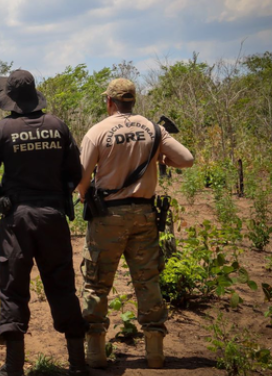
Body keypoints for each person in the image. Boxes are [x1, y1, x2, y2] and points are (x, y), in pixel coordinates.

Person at [0, 69, 88, 376]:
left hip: (18, 219)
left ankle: (13, 368)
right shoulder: (58, 126)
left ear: (10, 98)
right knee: (62, 285)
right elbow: (75, 172)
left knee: (12, 288)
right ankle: (78, 365)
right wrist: (57, 192)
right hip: (53, 217)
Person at [76, 78, 194, 369]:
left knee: (96, 283)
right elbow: (187, 159)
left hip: (107, 218)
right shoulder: (154, 129)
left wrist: (83, 195)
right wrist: (160, 158)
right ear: (133, 100)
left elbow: (81, 177)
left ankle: (96, 353)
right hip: (144, 214)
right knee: (147, 281)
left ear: (109, 102)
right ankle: (154, 353)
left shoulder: (98, 131)